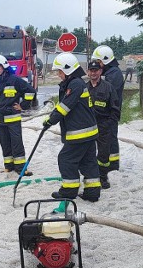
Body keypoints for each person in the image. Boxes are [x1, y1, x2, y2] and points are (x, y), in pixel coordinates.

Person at [43, 52, 101, 202]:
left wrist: (50, 121)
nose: (58, 74)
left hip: (79, 133)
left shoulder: (74, 84)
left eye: (60, 71)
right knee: (88, 162)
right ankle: (92, 192)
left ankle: (69, 191)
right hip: (89, 131)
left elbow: (64, 107)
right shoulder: (76, 83)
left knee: (66, 159)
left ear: (67, 69)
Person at [0, 55, 36, 175]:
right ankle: (8, 166)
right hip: (0, 119)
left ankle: (20, 169)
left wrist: (22, 106)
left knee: (16, 143)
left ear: (4, 67)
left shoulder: (15, 80)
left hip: (13, 118)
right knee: (5, 143)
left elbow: (30, 91)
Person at [86, 60, 120, 190]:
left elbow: (115, 108)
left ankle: (103, 177)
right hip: (88, 126)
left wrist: (110, 124)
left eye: (96, 70)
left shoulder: (108, 87)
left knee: (103, 155)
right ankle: (90, 176)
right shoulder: (84, 88)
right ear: (88, 72)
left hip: (103, 126)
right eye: (91, 70)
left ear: (100, 71)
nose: (93, 73)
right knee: (87, 153)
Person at [92, 45, 124, 172]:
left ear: (105, 61)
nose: (97, 65)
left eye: (98, 62)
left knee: (110, 139)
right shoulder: (109, 72)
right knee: (107, 139)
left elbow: (107, 92)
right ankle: (111, 164)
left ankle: (113, 165)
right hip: (105, 113)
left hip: (110, 113)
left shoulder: (114, 73)